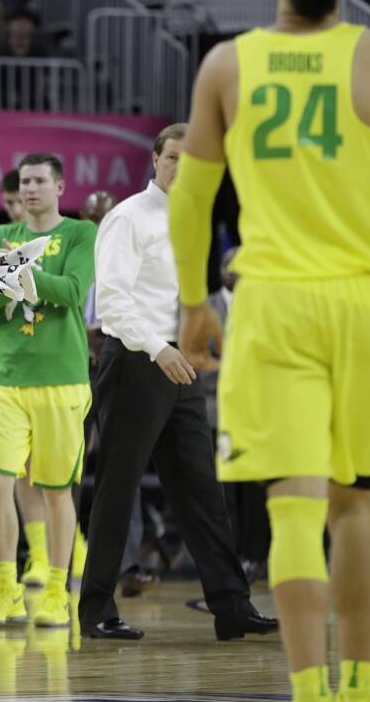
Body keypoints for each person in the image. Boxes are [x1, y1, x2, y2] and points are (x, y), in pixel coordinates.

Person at [169, 0, 370, 702]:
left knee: (295, 508)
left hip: (272, 301)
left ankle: (311, 692)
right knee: (355, 504)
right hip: (369, 301)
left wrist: (196, 302)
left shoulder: (227, 67)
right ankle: (365, 686)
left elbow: (191, 201)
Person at [83, 123, 277, 641]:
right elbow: (113, 305)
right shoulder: (127, 218)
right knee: (117, 490)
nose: (180, 168)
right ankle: (96, 608)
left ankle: (232, 606)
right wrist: (159, 348)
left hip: (181, 362)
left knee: (201, 488)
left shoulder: (192, 219)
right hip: (136, 362)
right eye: (172, 158)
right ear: (155, 160)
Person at [0, 153, 95, 628]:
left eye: (41, 180)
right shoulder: (0, 236)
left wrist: (16, 273)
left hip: (62, 380)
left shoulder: (81, 234)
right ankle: (6, 589)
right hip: (7, 381)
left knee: (55, 489)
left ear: (60, 186)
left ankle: (58, 592)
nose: (31, 189)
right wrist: (4, 279)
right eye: (25, 181)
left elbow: (74, 291)